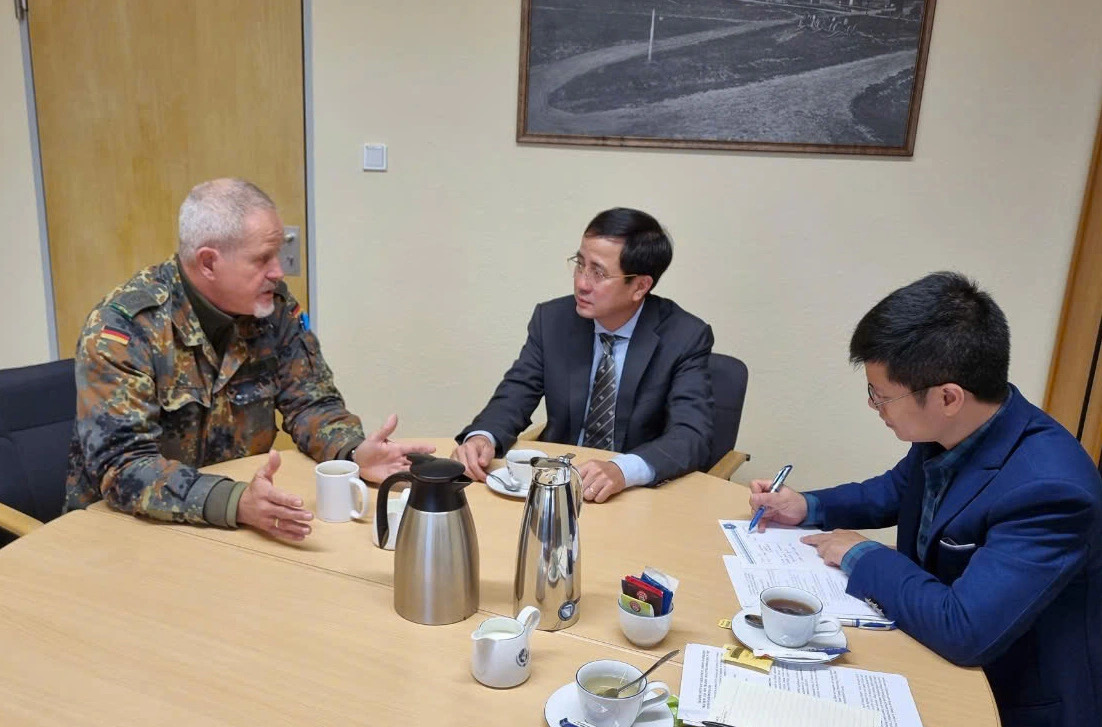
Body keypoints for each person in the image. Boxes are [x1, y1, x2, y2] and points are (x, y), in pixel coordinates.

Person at [749, 272, 1102, 727]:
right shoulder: (959, 428)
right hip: (932, 654)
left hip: (1009, 699)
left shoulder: (1051, 491)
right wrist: (807, 507)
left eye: (882, 395)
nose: (875, 406)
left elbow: (966, 629)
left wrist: (864, 555)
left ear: (948, 397)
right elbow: (896, 490)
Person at [65, 178, 433, 540]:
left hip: (236, 528)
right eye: (262, 259)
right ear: (208, 262)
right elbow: (124, 466)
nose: (278, 271)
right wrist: (234, 501)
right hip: (127, 533)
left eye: (278, 252)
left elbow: (310, 402)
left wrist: (352, 451)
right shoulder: (125, 330)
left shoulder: (274, 311)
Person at [453, 207, 714, 502]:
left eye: (599, 272)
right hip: (555, 487)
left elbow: (691, 436)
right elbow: (515, 393)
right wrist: (483, 436)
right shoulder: (553, 320)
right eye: (580, 264)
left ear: (640, 286)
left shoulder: (684, 336)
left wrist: (622, 470)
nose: (581, 283)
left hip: (633, 497)